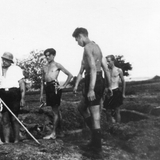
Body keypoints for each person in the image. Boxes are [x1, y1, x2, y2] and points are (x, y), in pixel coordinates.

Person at [72, 27, 111, 156]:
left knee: (95, 115)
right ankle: (95, 139)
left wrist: (91, 89)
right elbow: (105, 68)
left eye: (77, 39)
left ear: (81, 36)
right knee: (81, 107)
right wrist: (109, 85)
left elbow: (94, 69)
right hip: (97, 80)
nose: (77, 43)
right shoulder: (97, 47)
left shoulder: (88, 47)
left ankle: (97, 148)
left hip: (94, 80)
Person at [40, 48, 73, 140]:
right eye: (46, 55)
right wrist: (41, 95)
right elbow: (42, 82)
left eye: (49, 55)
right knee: (55, 110)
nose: (47, 57)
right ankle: (60, 131)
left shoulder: (57, 65)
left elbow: (70, 75)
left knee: (55, 111)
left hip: (54, 87)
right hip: (47, 87)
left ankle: (54, 133)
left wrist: (64, 86)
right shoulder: (44, 67)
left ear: (53, 55)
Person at [0, 52, 26, 143]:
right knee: (5, 119)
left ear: (11, 61)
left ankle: (16, 140)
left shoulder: (16, 69)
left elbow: (21, 83)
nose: (4, 61)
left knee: (14, 118)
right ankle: (6, 141)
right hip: (2, 94)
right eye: (3, 59)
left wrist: (22, 98)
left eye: (6, 60)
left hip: (14, 94)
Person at [104, 55, 126, 124]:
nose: (107, 63)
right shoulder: (106, 71)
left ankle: (118, 126)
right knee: (108, 111)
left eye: (108, 61)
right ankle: (110, 126)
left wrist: (123, 93)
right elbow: (105, 83)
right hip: (109, 93)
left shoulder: (118, 70)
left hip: (116, 91)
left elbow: (123, 81)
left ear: (113, 61)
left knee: (117, 110)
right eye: (106, 62)